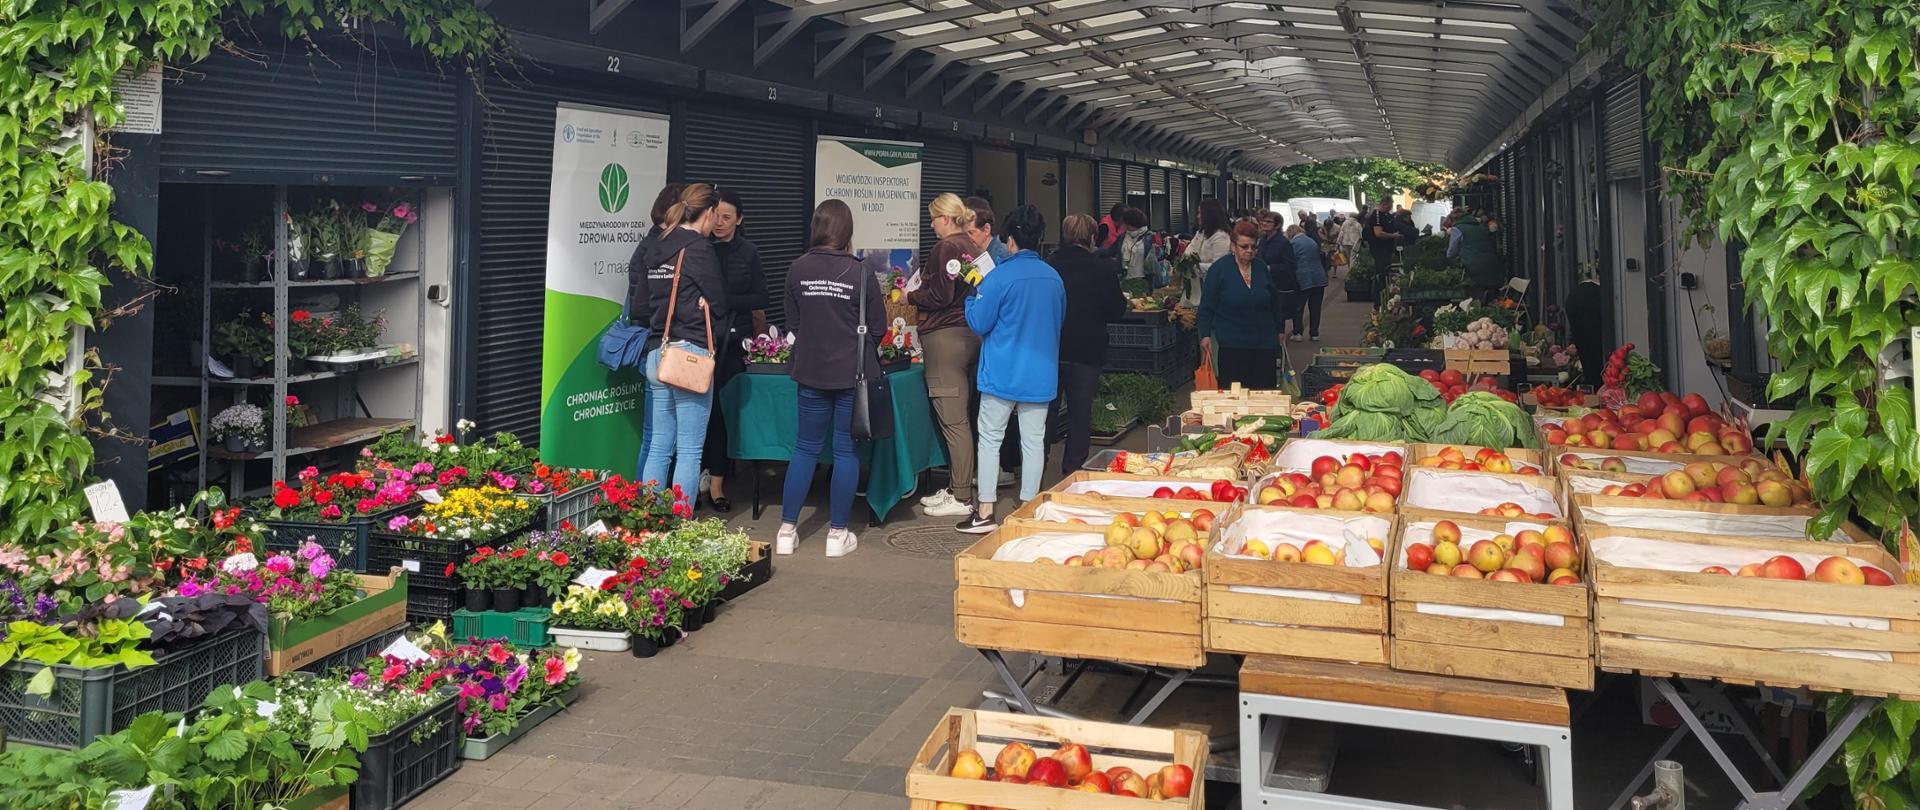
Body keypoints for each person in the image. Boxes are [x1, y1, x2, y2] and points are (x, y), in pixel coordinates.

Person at [772, 200, 884, 558]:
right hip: (851, 374)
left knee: (805, 448)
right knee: (845, 450)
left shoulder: (796, 268)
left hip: (810, 371)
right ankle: (837, 534)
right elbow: (878, 328)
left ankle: (787, 530)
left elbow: (793, 323)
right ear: (847, 231)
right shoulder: (861, 272)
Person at [957, 205, 1065, 534]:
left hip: (1001, 374)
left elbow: (979, 322)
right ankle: (1029, 510)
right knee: (1033, 442)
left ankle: (985, 511)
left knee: (990, 439)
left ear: (1011, 240)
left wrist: (971, 297)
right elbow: (1059, 321)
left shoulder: (999, 276)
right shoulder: (1054, 278)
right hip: (1040, 373)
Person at [629, 183, 730, 506]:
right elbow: (721, 302)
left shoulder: (654, 246)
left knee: (659, 444)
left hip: (657, 354)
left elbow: (641, 308)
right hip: (689, 356)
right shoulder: (699, 249)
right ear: (709, 212)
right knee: (689, 449)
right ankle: (681, 521)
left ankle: (651, 517)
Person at [910, 193, 983, 519]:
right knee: (962, 415)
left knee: (953, 420)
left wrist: (911, 294)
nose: (931, 225)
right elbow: (981, 283)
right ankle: (958, 486)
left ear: (944, 218)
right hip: (970, 333)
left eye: (933, 218)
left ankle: (962, 496)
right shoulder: (972, 244)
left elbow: (940, 295)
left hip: (944, 337)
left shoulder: (945, 248)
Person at [700, 189, 766, 513]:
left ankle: (717, 483)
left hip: (733, 341)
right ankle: (701, 474)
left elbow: (761, 297)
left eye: (728, 217)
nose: (721, 223)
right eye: (717, 216)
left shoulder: (748, 252)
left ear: (739, 219)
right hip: (700, 338)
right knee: (701, 411)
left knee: (722, 413)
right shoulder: (699, 248)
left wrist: (728, 302)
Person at [1048, 214, 1126, 475]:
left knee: (1045, 411)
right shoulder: (1102, 268)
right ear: (1093, 238)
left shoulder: (1050, 266)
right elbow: (1116, 309)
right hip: (1087, 350)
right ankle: (1073, 470)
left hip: (1051, 348)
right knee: (1080, 414)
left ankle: (1036, 463)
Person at [1198, 222, 1285, 389]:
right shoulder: (1219, 270)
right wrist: (1205, 334)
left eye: (1253, 247)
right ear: (1233, 246)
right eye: (1244, 246)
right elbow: (1207, 305)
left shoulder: (1261, 267)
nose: (1249, 251)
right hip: (1232, 343)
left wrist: (1280, 330)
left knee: (1263, 391)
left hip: (1263, 343)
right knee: (1234, 393)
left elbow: (1274, 301)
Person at [1255, 211, 1298, 337]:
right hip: (1263, 285)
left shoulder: (1283, 243)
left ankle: (1278, 352)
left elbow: (1291, 266)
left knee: (1277, 320)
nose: (1264, 223)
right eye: (1263, 221)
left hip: (1279, 287)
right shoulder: (1262, 240)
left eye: (1268, 221)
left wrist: (1270, 268)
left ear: (1277, 225)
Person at [1453, 208, 1506, 298]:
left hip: (1472, 266)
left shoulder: (1458, 229)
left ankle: (1483, 307)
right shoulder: (1481, 225)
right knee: (1492, 292)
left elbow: (1452, 251)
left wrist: (1452, 258)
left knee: (1477, 293)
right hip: (1490, 262)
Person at [1290, 223, 1329, 342]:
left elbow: (1292, 260)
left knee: (1298, 307)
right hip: (1319, 276)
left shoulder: (1293, 244)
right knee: (1315, 307)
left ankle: (1298, 332)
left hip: (1303, 277)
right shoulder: (1312, 242)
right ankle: (1314, 333)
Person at [1113, 208, 1161, 284]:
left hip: (1144, 280)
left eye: (1125, 223)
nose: (1124, 226)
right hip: (1124, 278)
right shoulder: (1122, 237)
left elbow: (1158, 258)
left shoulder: (1150, 237)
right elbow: (1110, 250)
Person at [1190, 199, 1233, 277]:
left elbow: (1219, 266)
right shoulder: (1200, 233)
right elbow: (1191, 249)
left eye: (1200, 213)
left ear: (1209, 215)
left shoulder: (1221, 236)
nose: (1198, 216)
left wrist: (1196, 266)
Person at [965, 196, 1013, 265]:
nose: (966, 237)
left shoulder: (1003, 256)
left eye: (971, 232)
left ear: (987, 229)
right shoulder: (972, 254)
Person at [1364, 197, 1403, 273]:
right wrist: (1393, 235)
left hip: (1387, 248)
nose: (1389, 209)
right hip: (1380, 248)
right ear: (1383, 204)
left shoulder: (1386, 214)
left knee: (1387, 268)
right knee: (1382, 270)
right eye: (1389, 207)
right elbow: (1378, 233)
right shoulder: (1377, 215)